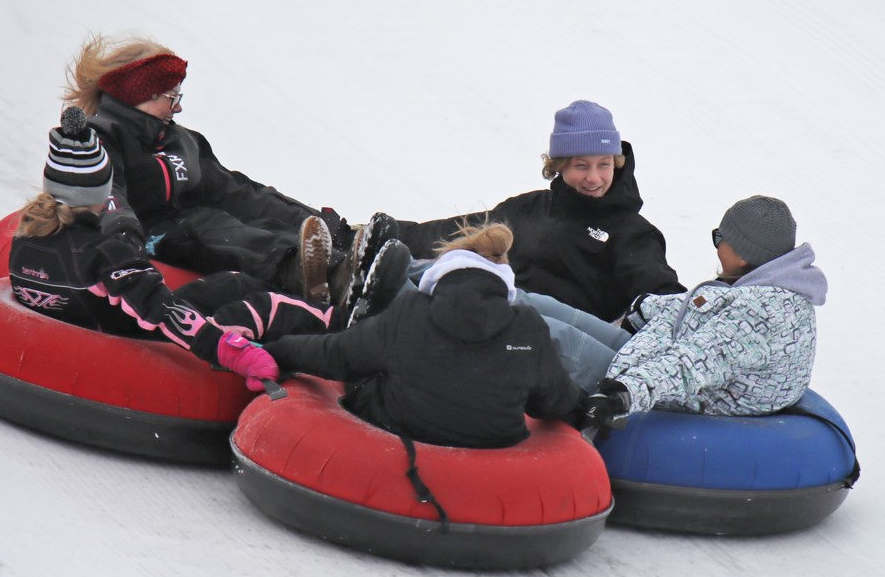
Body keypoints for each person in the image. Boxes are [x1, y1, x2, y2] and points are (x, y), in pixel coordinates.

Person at [9, 106, 396, 391]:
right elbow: (165, 313)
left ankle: (333, 307)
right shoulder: (106, 251)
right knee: (261, 305)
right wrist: (233, 351)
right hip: (134, 341)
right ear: (99, 190)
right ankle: (348, 331)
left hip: (92, 324)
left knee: (231, 284)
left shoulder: (28, 237)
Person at [62, 34, 396, 308]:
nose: (178, 105)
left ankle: (353, 255)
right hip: (149, 237)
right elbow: (106, 193)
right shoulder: (102, 137)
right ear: (140, 95)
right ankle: (332, 280)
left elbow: (235, 193)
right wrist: (124, 239)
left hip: (193, 223)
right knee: (220, 233)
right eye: (171, 95)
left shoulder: (181, 141)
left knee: (255, 222)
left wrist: (324, 225)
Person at [233, 222, 585, 449]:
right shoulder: (528, 328)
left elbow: (335, 356)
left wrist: (275, 351)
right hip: (490, 447)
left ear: (443, 275)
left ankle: (360, 313)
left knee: (367, 370)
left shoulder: (412, 310)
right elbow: (554, 401)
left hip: (399, 430)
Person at [394, 100, 685, 322]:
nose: (594, 178)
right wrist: (391, 233)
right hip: (487, 314)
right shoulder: (531, 208)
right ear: (559, 167)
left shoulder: (632, 233)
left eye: (604, 164)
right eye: (581, 166)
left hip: (555, 345)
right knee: (432, 274)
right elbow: (460, 232)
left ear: (616, 163)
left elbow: (659, 293)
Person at [582, 195, 828, 428]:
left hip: (640, 381)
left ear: (743, 255)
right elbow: (701, 307)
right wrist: (646, 307)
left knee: (558, 338)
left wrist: (621, 394)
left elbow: (691, 365)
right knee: (550, 311)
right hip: (647, 355)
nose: (717, 245)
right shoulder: (771, 291)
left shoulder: (759, 315)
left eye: (720, 237)